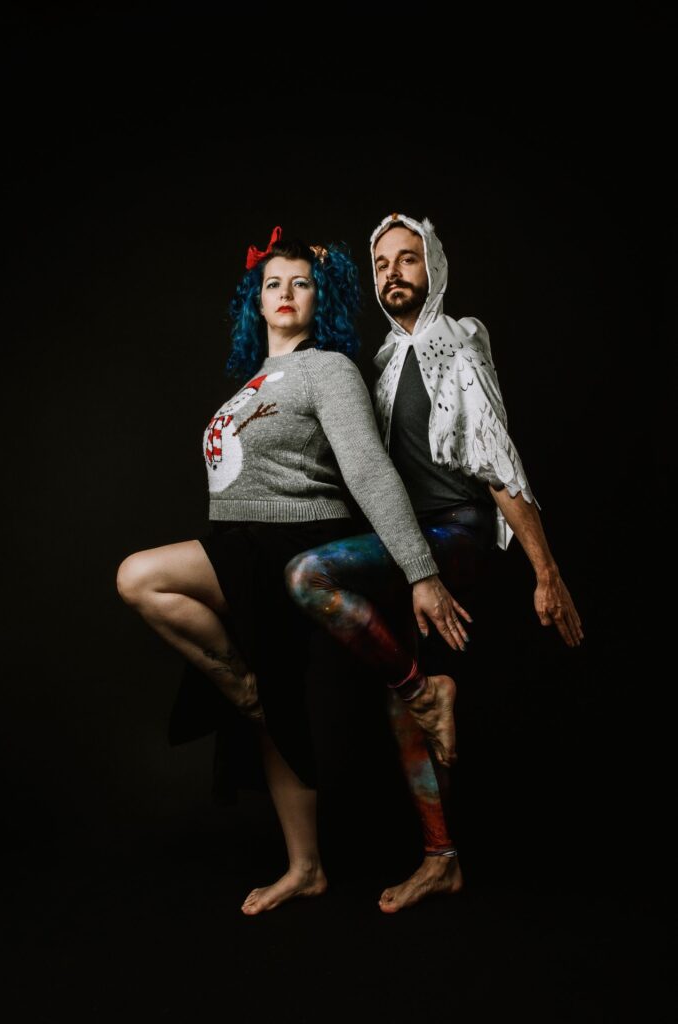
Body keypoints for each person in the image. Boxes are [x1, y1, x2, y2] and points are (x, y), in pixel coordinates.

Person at [116, 227, 470, 916]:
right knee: (275, 717)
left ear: (319, 297)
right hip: (239, 542)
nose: (285, 293)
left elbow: (368, 471)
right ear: (256, 301)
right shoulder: (254, 380)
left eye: (300, 283)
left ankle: (242, 689)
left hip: (288, 542)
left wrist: (419, 572)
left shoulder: (327, 369)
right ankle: (305, 868)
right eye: (272, 283)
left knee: (139, 577)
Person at [285, 212, 584, 913]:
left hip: (454, 534)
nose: (392, 272)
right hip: (407, 542)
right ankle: (441, 859)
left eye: (407, 259)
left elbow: (498, 465)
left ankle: (428, 692)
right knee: (402, 700)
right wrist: (322, 273)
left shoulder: (459, 346)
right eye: (381, 263)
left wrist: (546, 573)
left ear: (435, 268)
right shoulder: (386, 362)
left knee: (310, 576)